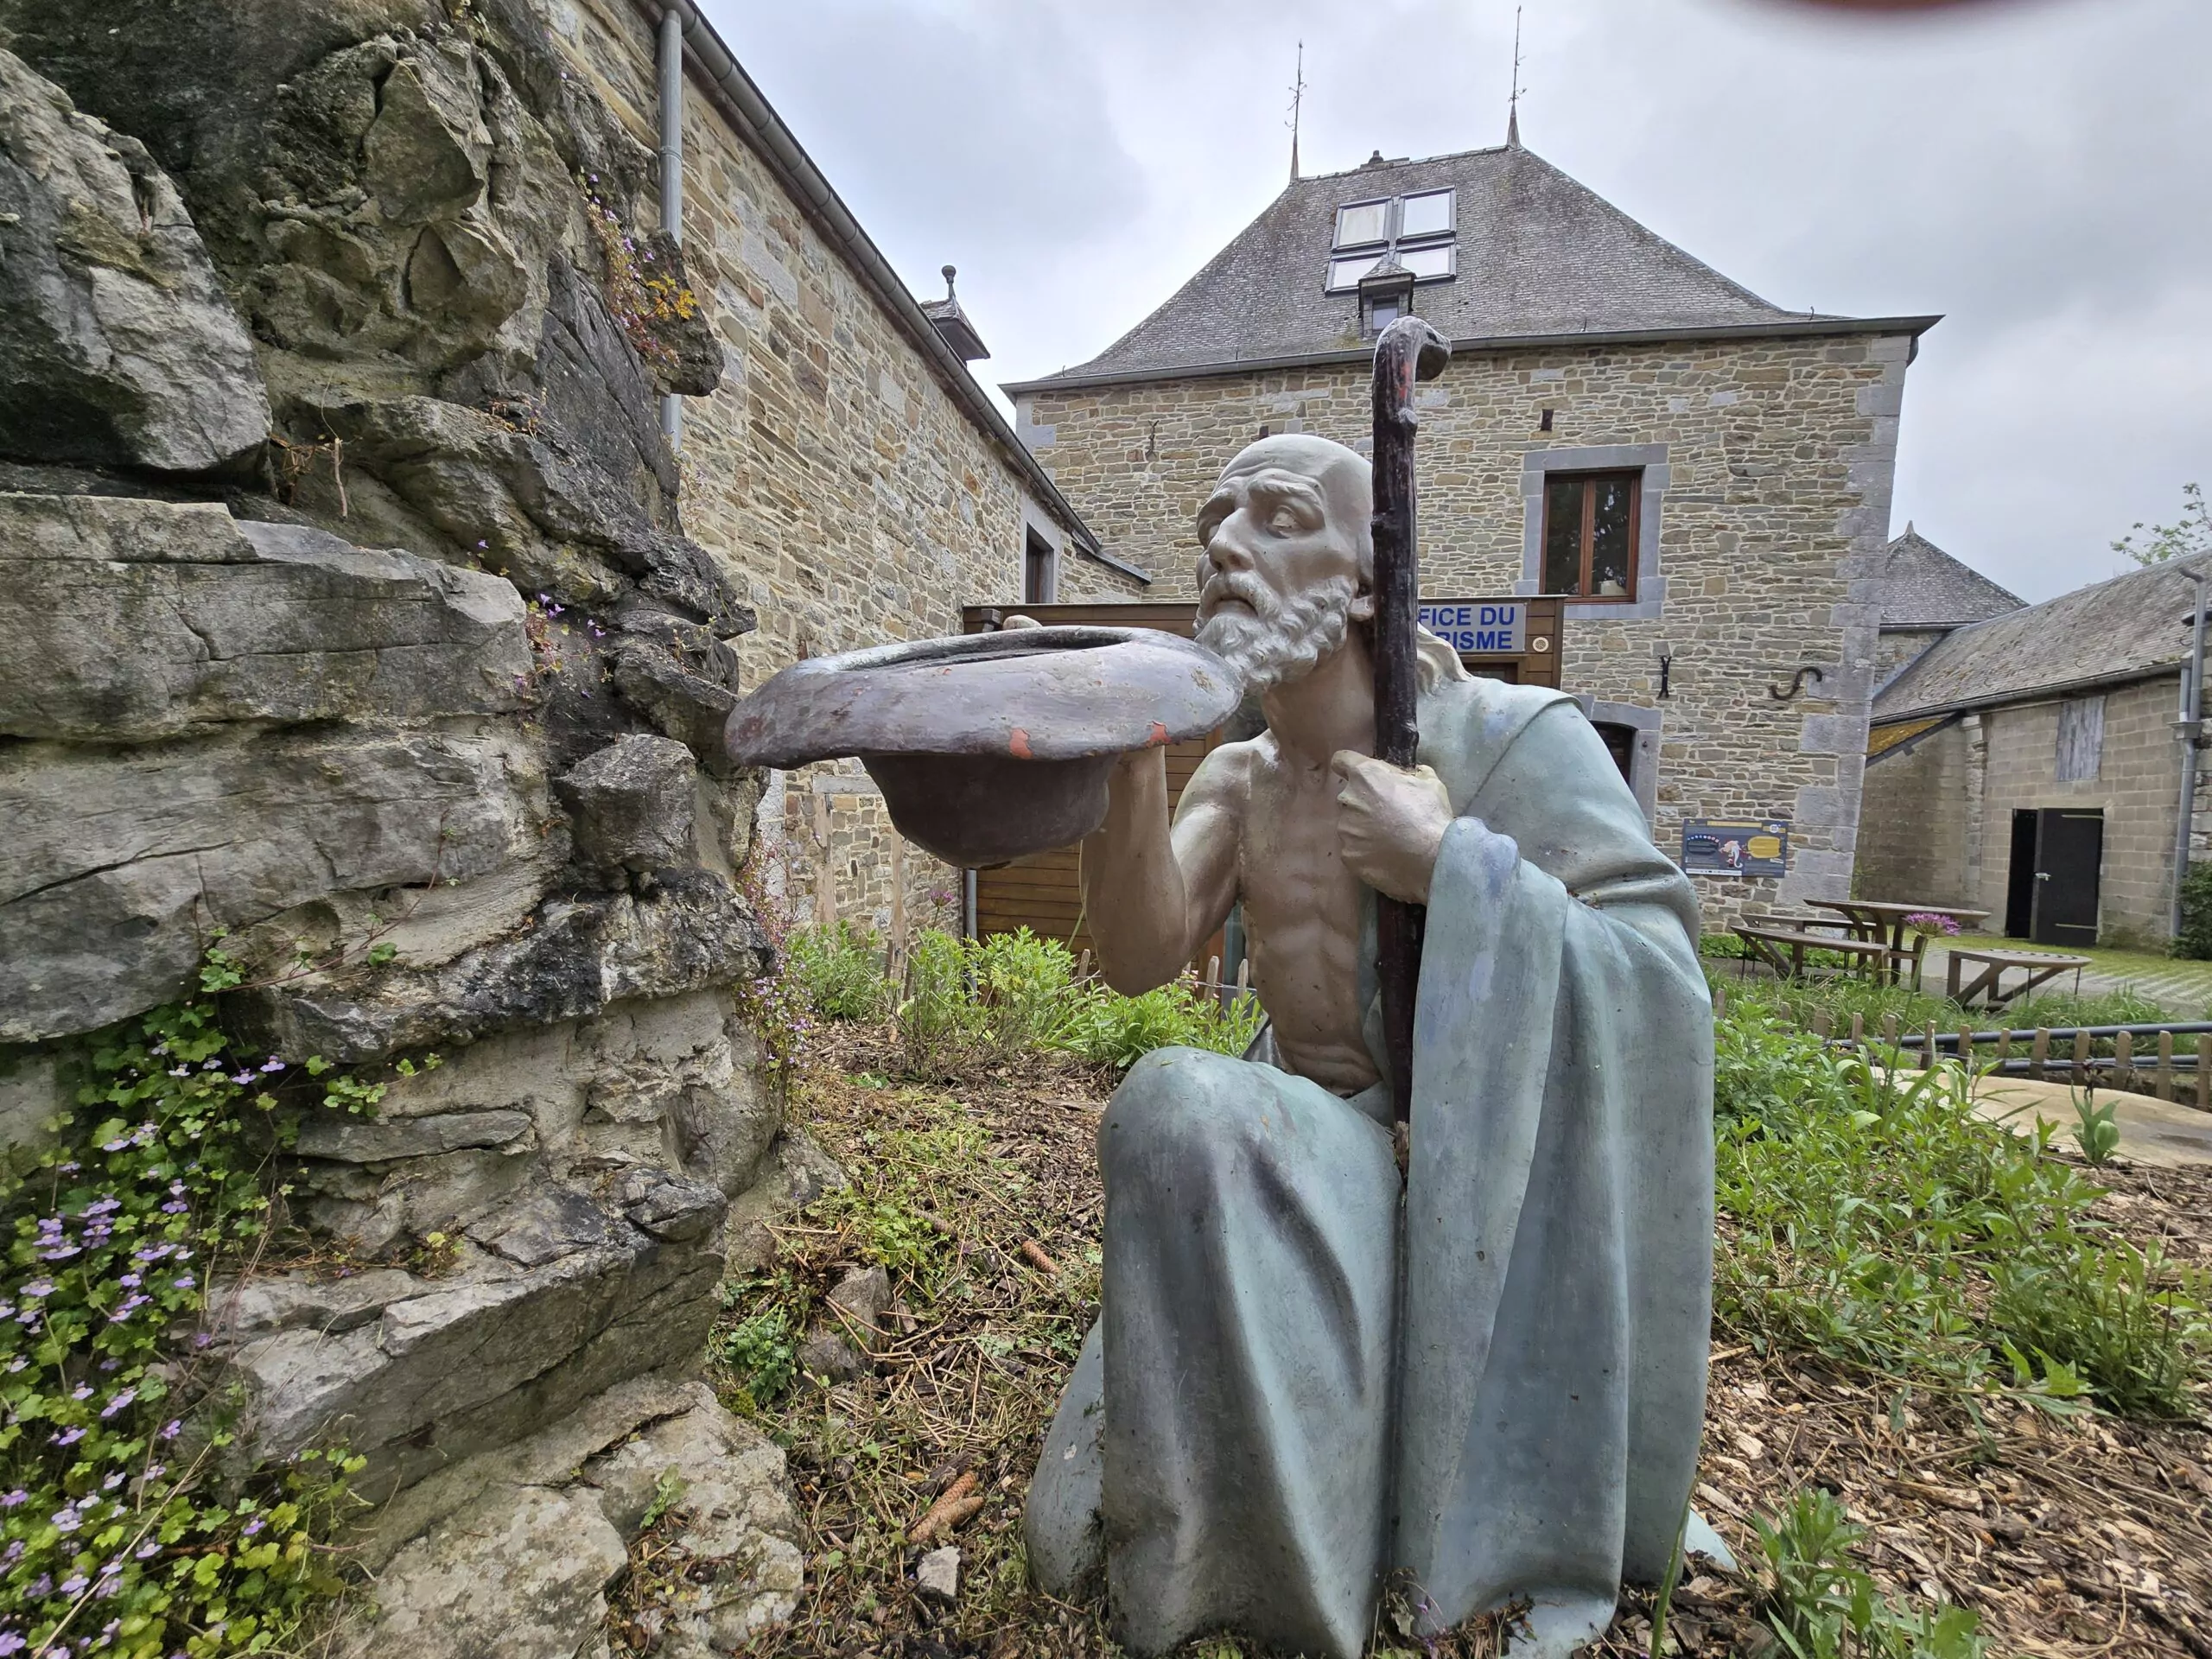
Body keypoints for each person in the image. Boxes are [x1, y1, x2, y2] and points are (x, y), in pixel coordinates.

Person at [1023, 433, 1716, 1659]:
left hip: (1470, 1171)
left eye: (1279, 519)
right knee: (1184, 1105)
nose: (1225, 548)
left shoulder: (1507, 741)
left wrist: (1454, 865)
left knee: (1182, 1105)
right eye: (1213, 522)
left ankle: (1280, 1594)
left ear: (1369, 580)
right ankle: (1222, 1556)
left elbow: (1663, 987)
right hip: (1319, 1138)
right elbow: (1137, 958)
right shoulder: (1236, 777)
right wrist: (1130, 764)